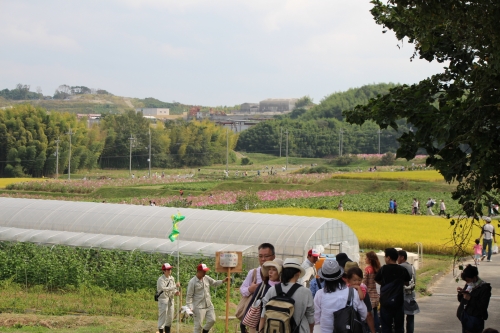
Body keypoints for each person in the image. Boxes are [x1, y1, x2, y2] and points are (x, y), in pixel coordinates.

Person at [260, 258, 315, 333]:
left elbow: (263, 316)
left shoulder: (272, 290)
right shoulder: (306, 292)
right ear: (298, 273)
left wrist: (260, 330)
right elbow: (310, 318)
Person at [313, 260, 367, 333]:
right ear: (340, 275)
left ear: (324, 277)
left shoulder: (319, 294)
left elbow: (316, 319)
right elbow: (363, 314)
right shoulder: (352, 292)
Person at [239, 243, 275, 333]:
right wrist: (250, 289)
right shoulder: (253, 273)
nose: (263, 259)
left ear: (273, 256)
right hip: (255, 318)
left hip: (273, 317)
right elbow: (242, 289)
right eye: (260, 256)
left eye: (266, 256)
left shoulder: (279, 274)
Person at [375, 248, 411, 333]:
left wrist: (384, 285)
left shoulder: (383, 269)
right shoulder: (402, 269)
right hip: (398, 302)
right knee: (399, 327)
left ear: (388, 258)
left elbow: (376, 279)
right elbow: (407, 283)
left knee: (386, 326)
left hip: (386, 302)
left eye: (385, 257)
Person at [186, 263, 229, 333]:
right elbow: (189, 296)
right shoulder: (192, 282)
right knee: (198, 326)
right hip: (198, 307)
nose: (205, 272)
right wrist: (190, 307)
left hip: (208, 304)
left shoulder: (206, 278)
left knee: (212, 320)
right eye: (204, 271)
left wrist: (223, 281)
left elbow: (214, 283)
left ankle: (205, 331)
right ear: (199, 271)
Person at [244, 259, 283, 333]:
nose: (270, 272)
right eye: (269, 269)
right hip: (258, 324)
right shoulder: (263, 285)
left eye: (274, 270)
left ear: (280, 272)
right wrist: (243, 323)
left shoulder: (283, 288)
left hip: (276, 324)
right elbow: (252, 302)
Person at [457, 265, 492, 333]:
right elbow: (461, 300)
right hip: (465, 317)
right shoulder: (469, 285)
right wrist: (460, 293)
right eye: (465, 281)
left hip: (475, 319)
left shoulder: (484, 288)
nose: (467, 282)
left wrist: (470, 299)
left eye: (468, 280)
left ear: (474, 277)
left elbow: (483, 306)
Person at [344, 263, 376, 333]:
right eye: (354, 280)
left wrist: (358, 288)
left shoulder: (362, 288)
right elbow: (368, 314)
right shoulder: (346, 288)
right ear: (348, 280)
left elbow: (361, 297)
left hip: (357, 320)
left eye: (359, 280)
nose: (357, 282)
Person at [397, 250, 419, 333]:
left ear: (402, 257)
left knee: (400, 318)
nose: (397, 259)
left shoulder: (400, 267)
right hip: (411, 295)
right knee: (410, 318)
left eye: (398, 257)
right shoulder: (412, 267)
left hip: (402, 296)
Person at [157, 263, 180, 333]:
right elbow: (164, 289)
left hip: (171, 299)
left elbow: (172, 289)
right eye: (168, 269)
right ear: (164, 270)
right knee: (163, 317)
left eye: (170, 269)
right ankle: (161, 330)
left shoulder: (172, 278)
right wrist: (175, 286)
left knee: (170, 317)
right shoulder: (160, 279)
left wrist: (175, 292)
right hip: (163, 300)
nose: (170, 270)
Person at [364, 251, 381, 333]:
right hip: (376, 296)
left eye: (366, 257)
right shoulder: (378, 269)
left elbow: (364, 284)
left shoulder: (367, 269)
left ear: (370, 259)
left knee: (369, 316)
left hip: (369, 296)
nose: (365, 259)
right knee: (375, 315)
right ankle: (377, 330)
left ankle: (370, 330)